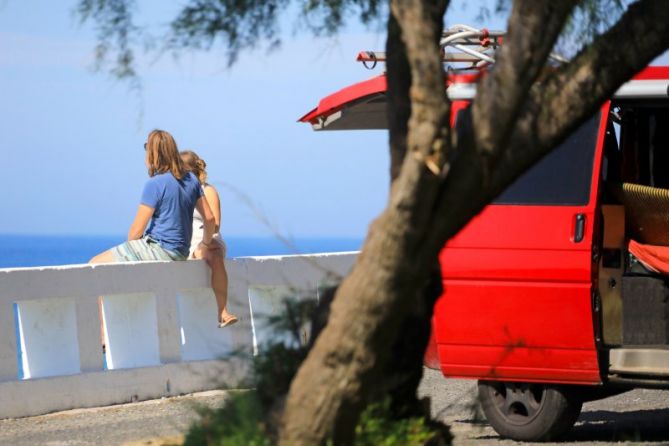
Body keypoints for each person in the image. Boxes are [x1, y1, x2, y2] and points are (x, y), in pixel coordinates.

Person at [90, 130, 216, 265]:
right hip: (181, 252)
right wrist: (205, 243)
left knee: (94, 263)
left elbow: (136, 231)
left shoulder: (155, 184)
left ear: (153, 154)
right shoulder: (191, 179)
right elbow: (209, 218)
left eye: (146, 148)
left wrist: (129, 252)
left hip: (160, 248)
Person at [180, 150, 238, 328]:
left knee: (215, 255)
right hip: (188, 242)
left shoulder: (208, 190)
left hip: (207, 237)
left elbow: (216, 223)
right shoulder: (179, 191)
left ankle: (223, 311)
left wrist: (205, 240)